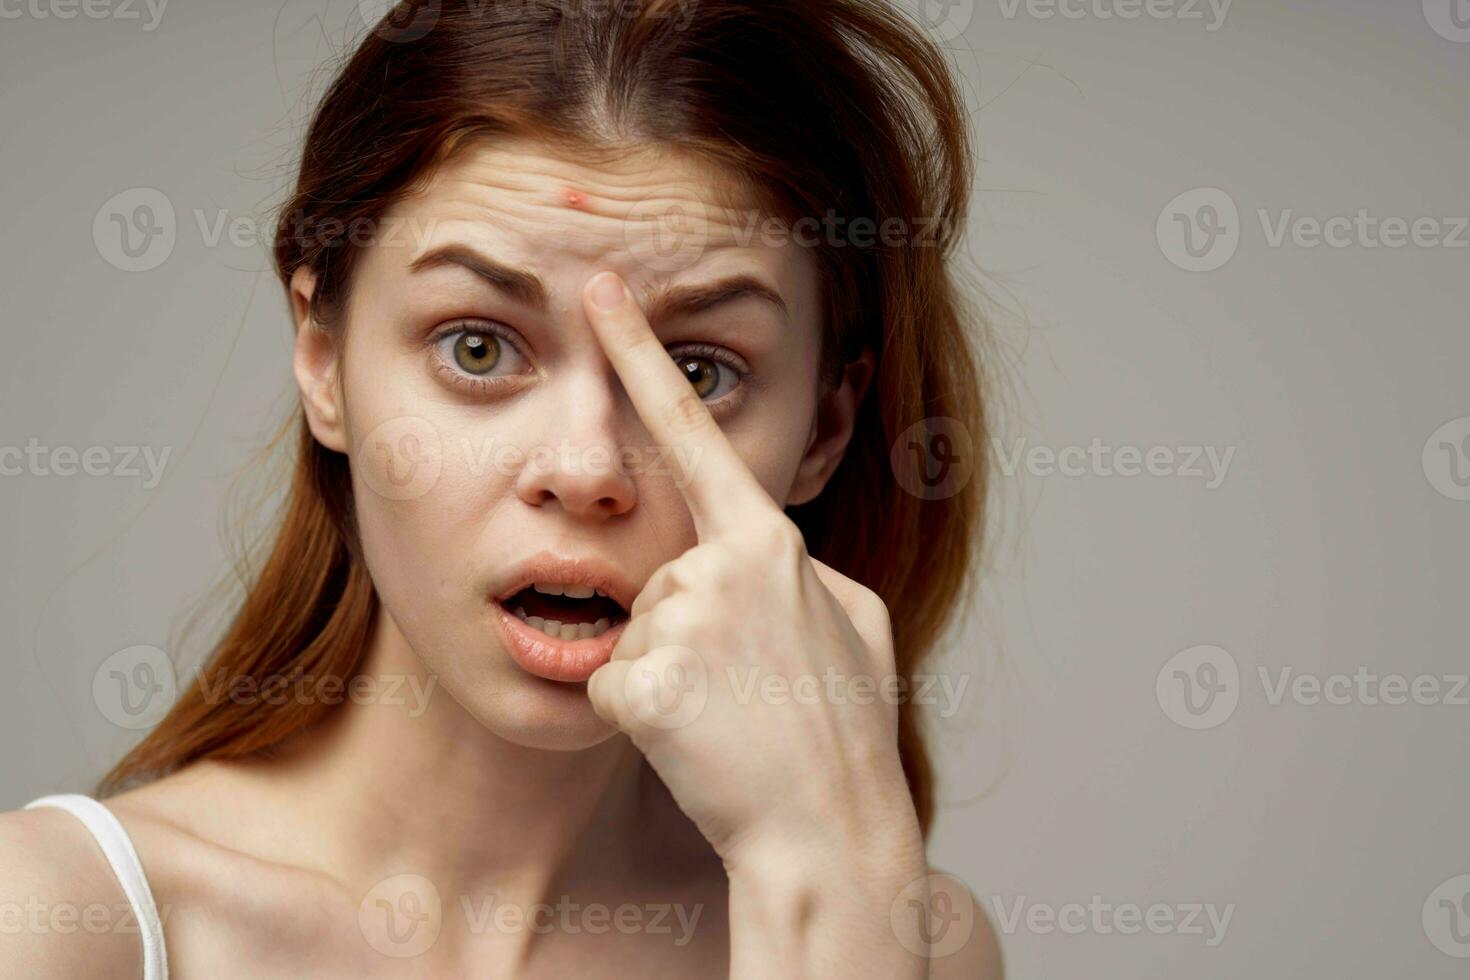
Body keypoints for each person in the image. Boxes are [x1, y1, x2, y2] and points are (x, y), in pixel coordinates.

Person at [2, 1, 1000, 975]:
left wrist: (826, 880)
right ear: (322, 359)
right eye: (477, 346)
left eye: (697, 371)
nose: (584, 469)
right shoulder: (54, 923)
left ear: (824, 427)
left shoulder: (911, 936)